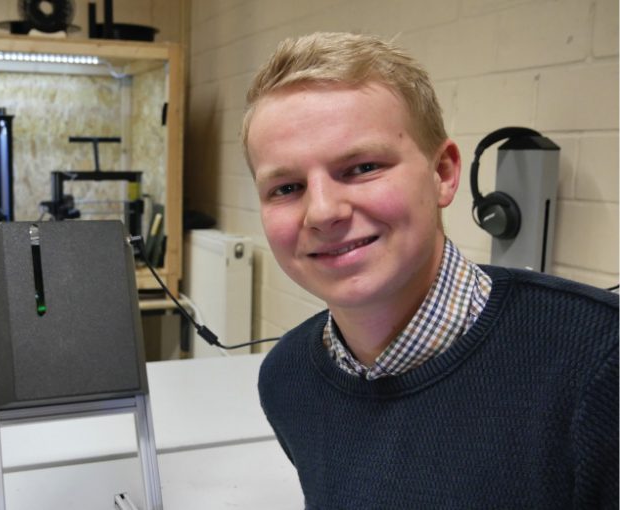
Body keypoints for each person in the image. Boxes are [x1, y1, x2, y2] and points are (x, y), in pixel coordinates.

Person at [243, 32, 618, 509]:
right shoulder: (287, 378)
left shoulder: (600, 365)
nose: (322, 212)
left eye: (361, 168)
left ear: (442, 173)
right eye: (286, 187)